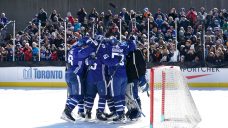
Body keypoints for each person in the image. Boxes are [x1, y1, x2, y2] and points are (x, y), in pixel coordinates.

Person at [61, 37, 97, 122]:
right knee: (79, 95)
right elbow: (89, 50)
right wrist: (93, 44)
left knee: (72, 95)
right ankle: (67, 111)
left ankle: (67, 111)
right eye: (85, 45)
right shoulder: (79, 51)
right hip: (75, 74)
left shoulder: (72, 49)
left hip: (68, 74)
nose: (85, 47)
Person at [104, 37, 136, 121]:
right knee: (121, 96)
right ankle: (121, 113)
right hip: (124, 75)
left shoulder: (109, 48)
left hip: (115, 76)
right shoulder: (122, 47)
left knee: (116, 96)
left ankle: (120, 114)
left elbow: (106, 61)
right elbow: (132, 47)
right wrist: (131, 41)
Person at [125, 41, 149, 120]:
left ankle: (138, 111)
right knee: (128, 95)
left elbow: (142, 65)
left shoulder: (137, 52)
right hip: (128, 78)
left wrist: (141, 76)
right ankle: (132, 109)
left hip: (134, 78)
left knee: (134, 95)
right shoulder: (126, 52)